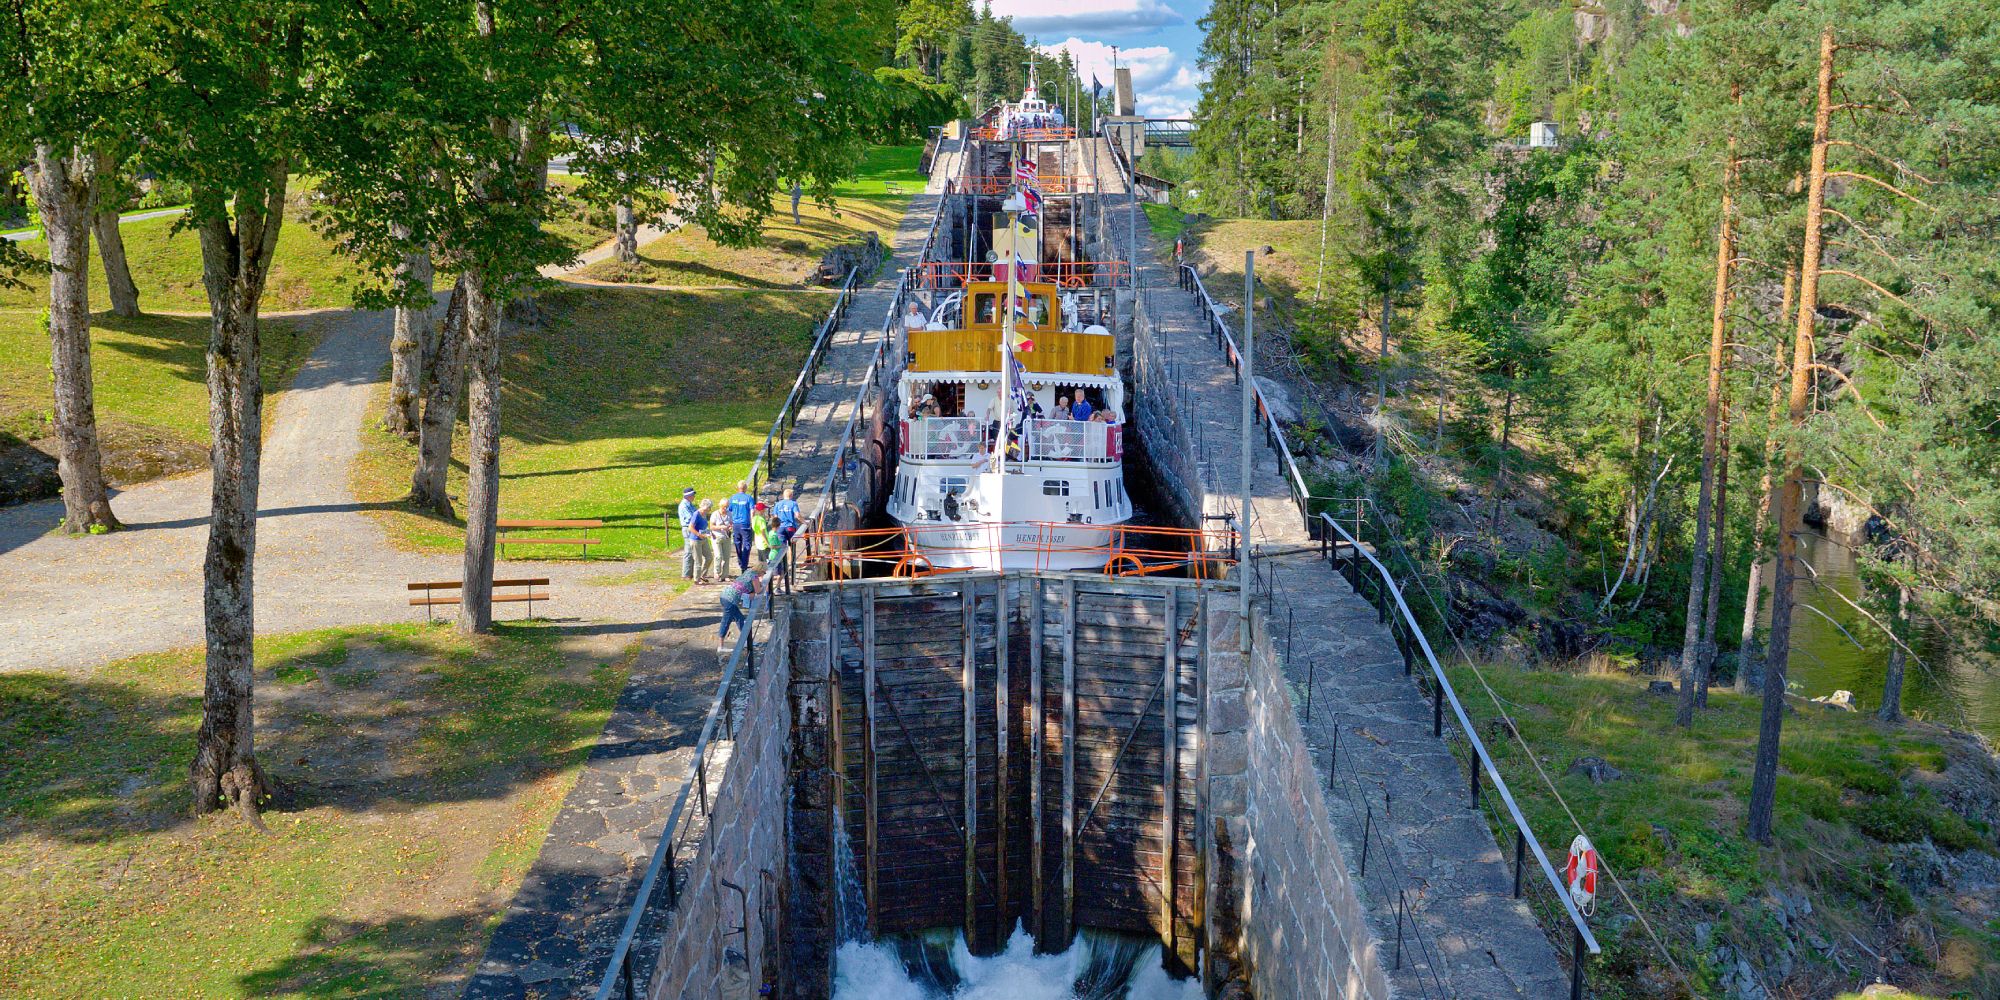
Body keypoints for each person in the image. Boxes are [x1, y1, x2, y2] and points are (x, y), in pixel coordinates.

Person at [717, 569, 764, 651]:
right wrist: (763, 586)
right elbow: (758, 591)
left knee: (740, 619)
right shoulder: (754, 577)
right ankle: (720, 646)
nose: (764, 574)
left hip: (725, 596)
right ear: (761, 571)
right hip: (730, 600)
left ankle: (747, 641)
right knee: (726, 621)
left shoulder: (749, 572)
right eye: (764, 572)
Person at [725, 481, 755, 571]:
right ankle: (744, 564)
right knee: (747, 544)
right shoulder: (749, 498)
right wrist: (751, 521)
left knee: (737, 543)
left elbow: (728, 510)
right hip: (745, 523)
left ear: (737, 488)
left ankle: (740, 561)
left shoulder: (732, 498)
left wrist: (730, 521)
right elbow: (752, 511)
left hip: (735, 524)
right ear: (745, 488)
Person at [675, 487, 700, 578]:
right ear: (688, 496)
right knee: (688, 551)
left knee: (693, 550)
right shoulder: (684, 505)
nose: (694, 496)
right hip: (687, 529)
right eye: (693, 495)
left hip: (692, 528)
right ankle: (686, 574)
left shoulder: (690, 504)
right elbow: (691, 518)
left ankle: (691, 573)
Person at [689, 500, 715, 582]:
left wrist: (710, 533)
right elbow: (690, 527)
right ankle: (696, 579)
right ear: (704, 506)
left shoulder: (704, 514)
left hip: (704, 539)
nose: (709, 510)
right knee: (698, 560)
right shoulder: (696, 514)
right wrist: (699, 535)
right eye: (709, 507)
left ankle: (702, 575)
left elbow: (704, 527)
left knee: (709, 557)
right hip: (696, 540)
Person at [707, 512, 733, 582]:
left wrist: (730, 527)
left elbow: (731, 523)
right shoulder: (715, 514)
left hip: (726, 537)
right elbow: (711, 527)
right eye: (724, 507)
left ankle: (725, 575)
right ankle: (717, 572)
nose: (725, 508)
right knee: (718, 555)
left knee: (726, 556)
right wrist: (721, 527)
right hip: (716, 537)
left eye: (726, 506)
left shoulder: (729, 514)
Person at [750, 501, 773, 571]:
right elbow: (763, 532)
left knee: (760, 560)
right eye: (764, 509)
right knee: (766, 561)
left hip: (758, 541)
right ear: (762, 510)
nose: (765, 510)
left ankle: (761, 572)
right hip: (763, 543)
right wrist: (768, 543)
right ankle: (766, 574)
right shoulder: (761, 520)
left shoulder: (754, 518)